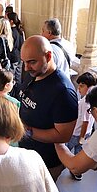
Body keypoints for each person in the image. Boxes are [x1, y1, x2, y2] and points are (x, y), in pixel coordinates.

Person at [17, 35, 78, 181]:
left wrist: (26, 130)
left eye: (32, 62)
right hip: (27, 153)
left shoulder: (63, 92)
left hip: (46, 162)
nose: (26, 67)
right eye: (24, 62)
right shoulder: (34, 72)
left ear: (48, 56)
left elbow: (63, 135)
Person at [66, 72, 97, 181]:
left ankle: (62, 167)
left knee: (65, 149)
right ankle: (77, 171)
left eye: (81, 86)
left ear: (90, 87)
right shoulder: (93, 100)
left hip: (78, 133)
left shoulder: (86, 102)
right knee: (79, 153)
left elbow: (85, 122)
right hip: (86, 133)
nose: (79, 88)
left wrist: (81, 138)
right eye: (78, 85)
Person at [7, 12, 25, 84]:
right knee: (18, 77)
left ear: (11, 21)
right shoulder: (20, 30)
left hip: (13, 56)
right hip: (20, 56)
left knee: (11, 77)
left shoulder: (10, 32)